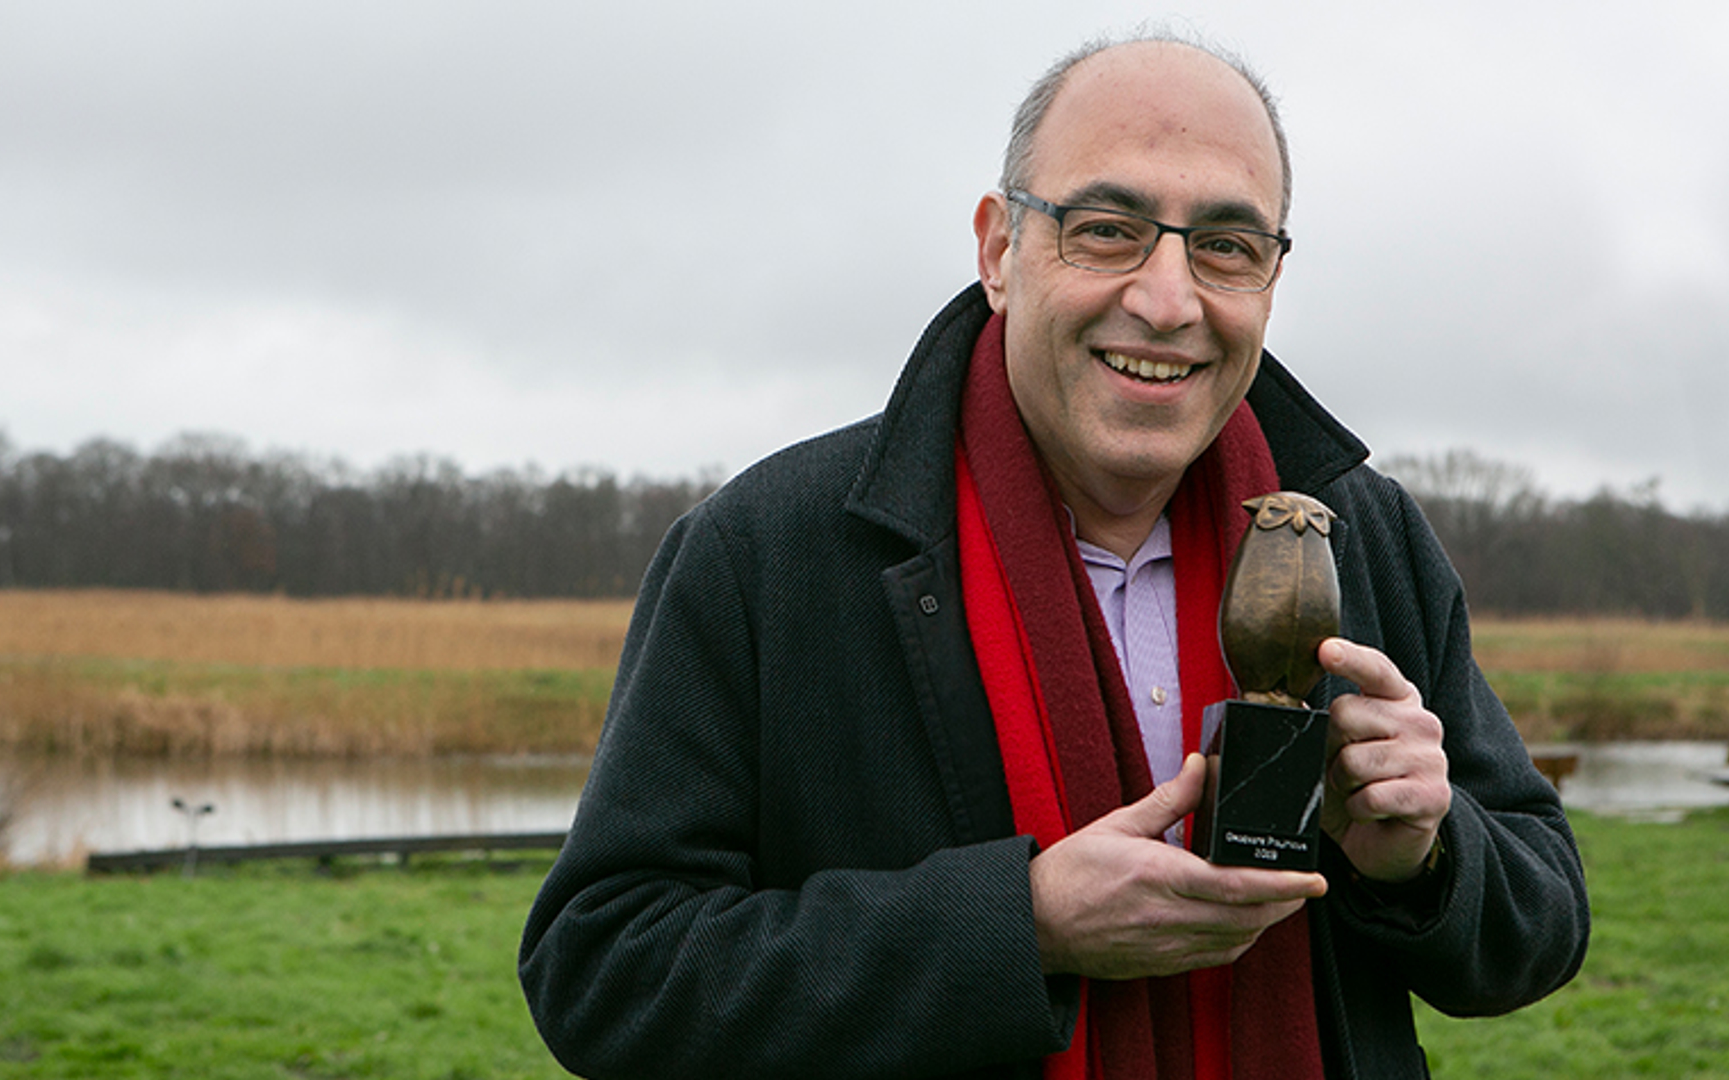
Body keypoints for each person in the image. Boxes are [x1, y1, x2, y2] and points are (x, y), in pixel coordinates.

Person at [519, 33, 1588, 1080]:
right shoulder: (766, 552)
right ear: (998, 250)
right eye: (1108, 228)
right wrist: (1017, 928)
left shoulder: (1361, 533)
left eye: (1226, 244)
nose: (1168, 302)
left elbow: (1540, 920)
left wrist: (1421, 857)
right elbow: (607, 970)